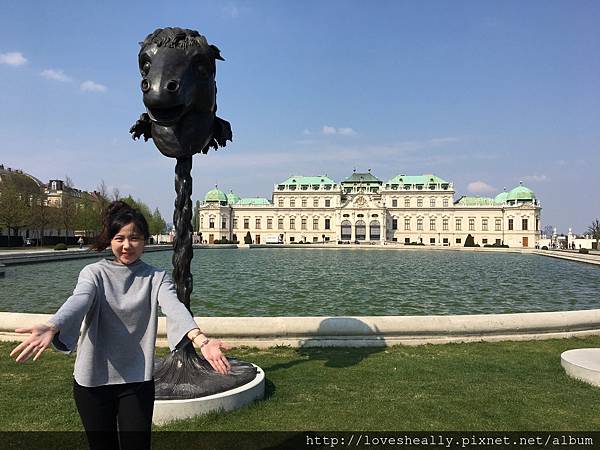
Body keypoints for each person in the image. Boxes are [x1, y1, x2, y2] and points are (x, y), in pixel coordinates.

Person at [10, 201, 231, 450]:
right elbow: (80, 299)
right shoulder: (94, 273)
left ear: (145, 240)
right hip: (92, 381)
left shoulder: (156, 277)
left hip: (137, 380)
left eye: (134, 238)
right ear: (110, 240)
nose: (127, 245)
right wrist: (54, 325)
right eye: (120, 238)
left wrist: (201, 340)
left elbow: (174, 307)